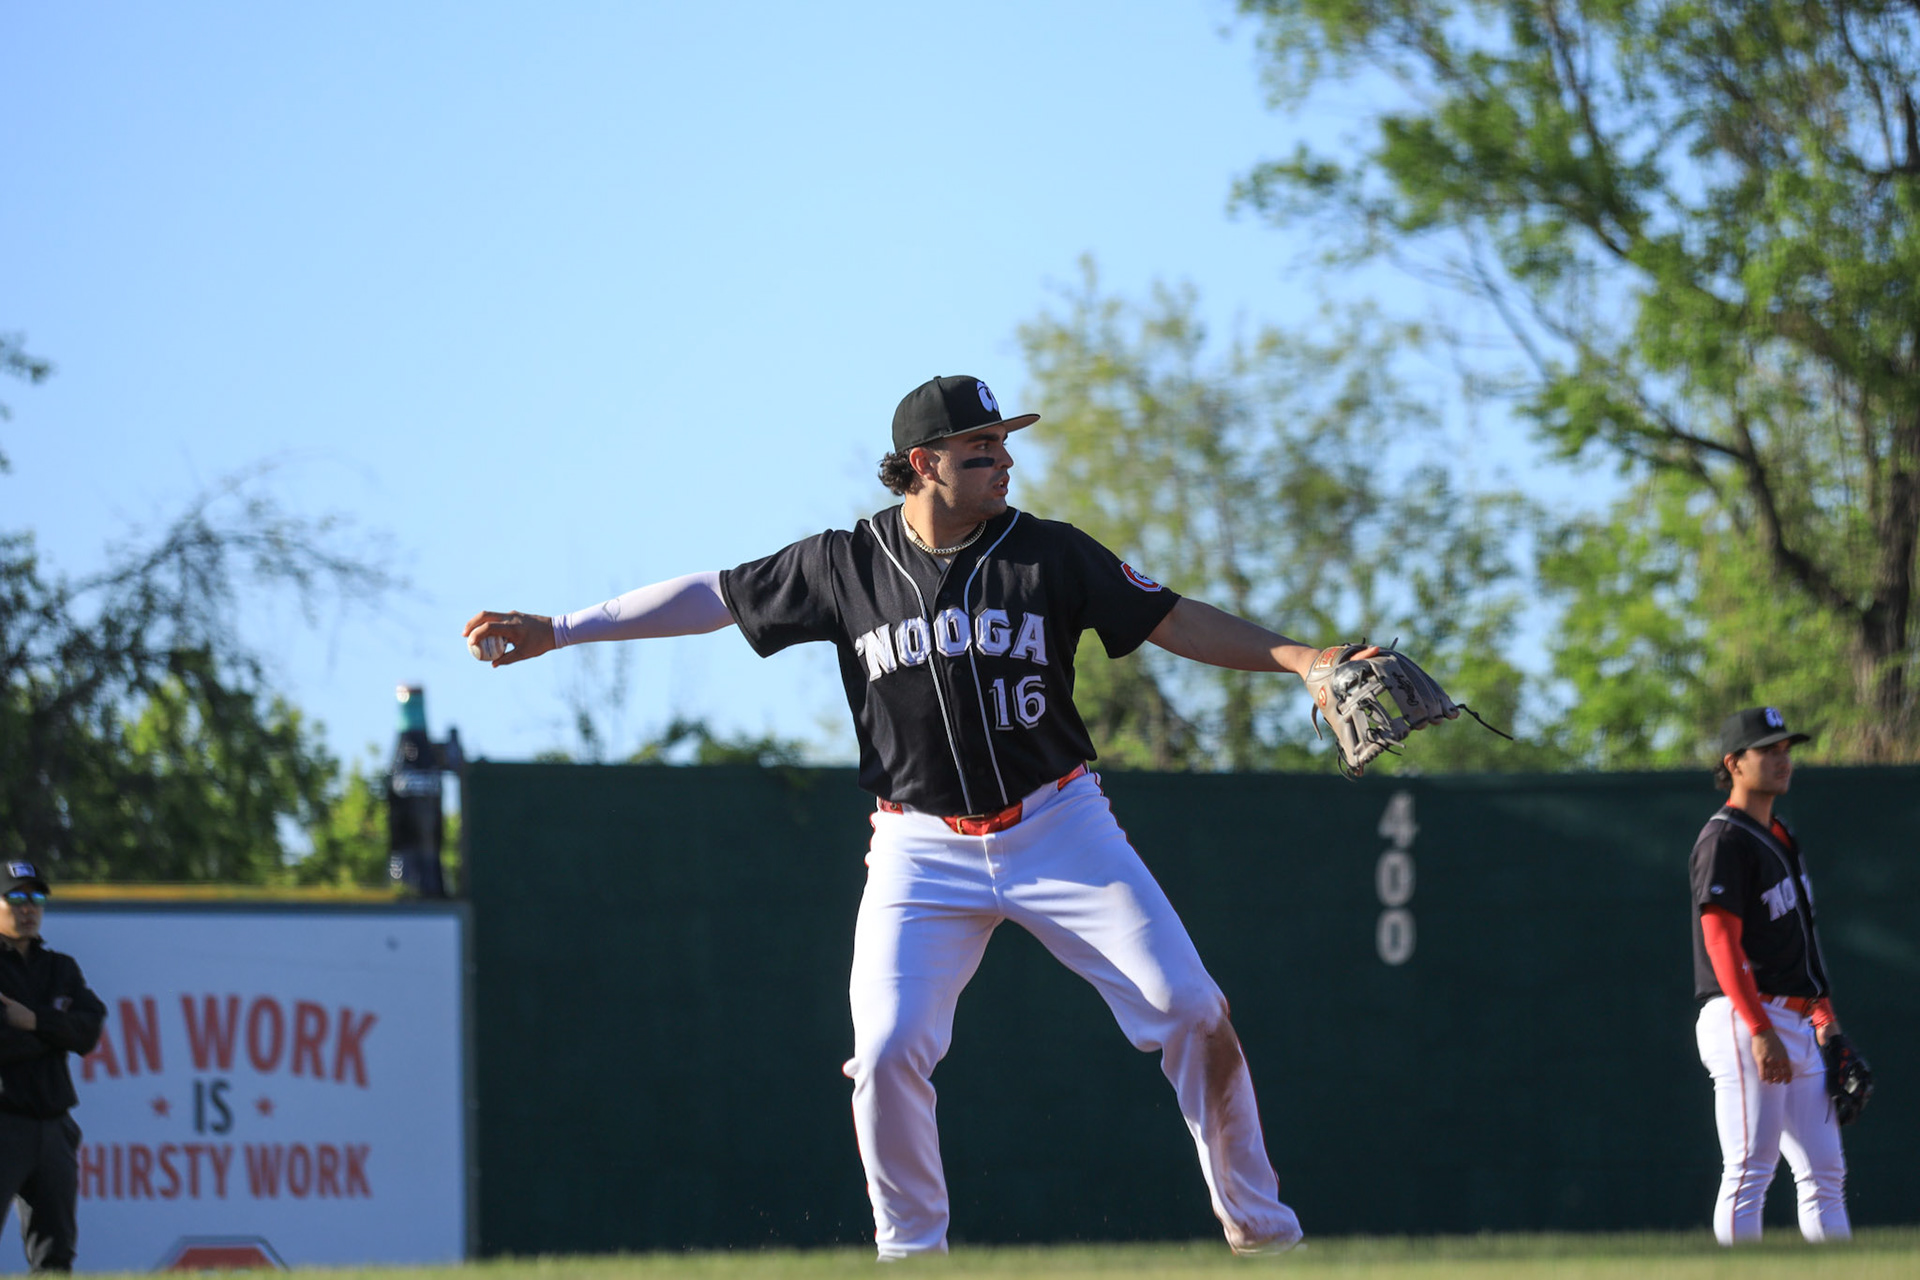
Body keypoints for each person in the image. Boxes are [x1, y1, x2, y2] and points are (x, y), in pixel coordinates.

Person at [466, 374, 1425, 1258]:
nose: (1004, 462)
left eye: (1004, 446)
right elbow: (712, 599)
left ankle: (1260, 1230)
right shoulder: (844, 564)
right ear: (923, 463)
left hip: (1060, 827)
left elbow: (1171, 617)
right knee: (884, 1054)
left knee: (1192, 1007)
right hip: (919, 848)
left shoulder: (1049, 552)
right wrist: (560, 629)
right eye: (981, 449)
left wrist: (1301, 658)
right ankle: (913, 1258)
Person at [1689, 706, 1850, 1245]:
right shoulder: (1723, 840)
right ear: (1734, 763)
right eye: (1768, 750)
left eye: (1786, 749)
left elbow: (1802, 939)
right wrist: (1760, 1029)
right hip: (1745, 1017)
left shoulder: (1781, 834)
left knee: (1826, 1172)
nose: (1783, 759)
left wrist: (1824, 1018)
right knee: (1749, 1171)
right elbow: (1720, 942)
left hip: (1797, 1020)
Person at [0, 861, 105, 1273]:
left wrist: (34, 1021)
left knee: (56, 1255)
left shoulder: (61, 967)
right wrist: (54, 1035)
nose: (28, 908)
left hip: (54, 1126)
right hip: (4, 1121)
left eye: (37, 898)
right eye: (17, 897)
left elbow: (89, 1031)